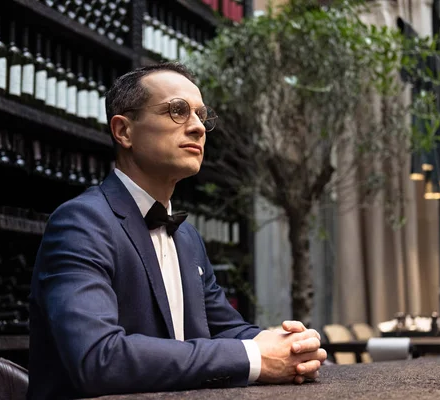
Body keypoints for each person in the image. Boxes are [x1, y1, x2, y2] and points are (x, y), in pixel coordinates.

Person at [27, 62, 327, 400]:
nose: (198, 127)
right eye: (178, 111)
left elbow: (226, 329)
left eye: (201, 115)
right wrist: (255, 358)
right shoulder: (81, 223)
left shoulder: (187, 237)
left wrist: (291, 347)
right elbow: (99, 358)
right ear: (124, 131)